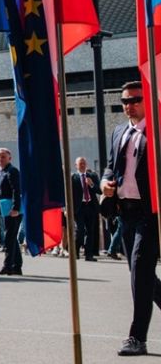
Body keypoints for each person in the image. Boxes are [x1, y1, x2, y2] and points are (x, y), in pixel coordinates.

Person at [102, 81, 161, 356]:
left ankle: (137, 338)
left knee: (140, 272)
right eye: (124, 101)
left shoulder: (157, 130)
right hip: (124, 212)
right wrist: (105, 182)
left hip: (151, 214)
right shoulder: (118, 131)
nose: (129, 105)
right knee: (142, 275)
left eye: (135, 99)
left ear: (146, 100)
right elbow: (109, 166)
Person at [0, 147, 22, 276]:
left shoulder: (12, 171)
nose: (0, 159)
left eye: (3, 157)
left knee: (9, 237)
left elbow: (17, 190)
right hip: (3, 207)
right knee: (12, 237)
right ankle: (16, 266)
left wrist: (15, 208)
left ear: (9, 158)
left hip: (12, 209)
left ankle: (7, 266)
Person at [71, 156, 100, 262]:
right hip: (79, 208)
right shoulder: (73, 178)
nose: (83, 165)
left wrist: (92, 184)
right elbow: (68, 195)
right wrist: (66, 209)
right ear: (76, 165)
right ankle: (75, 251)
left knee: (90, 231)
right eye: (80, 163)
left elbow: (99, 191)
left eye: (84, 163)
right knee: (80, 231)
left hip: (91, 207)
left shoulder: (92, 176)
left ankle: (89, 255)